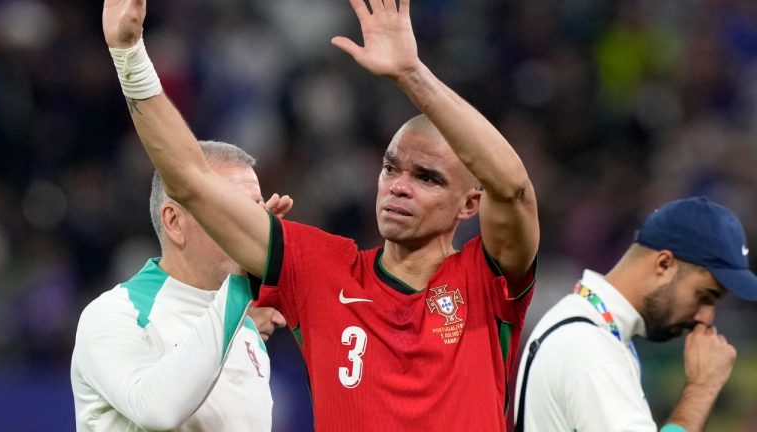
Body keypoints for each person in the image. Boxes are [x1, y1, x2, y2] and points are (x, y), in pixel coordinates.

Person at [102, 0, 539, 430]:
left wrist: (412, 75)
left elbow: (514, 189)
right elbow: (190, 180)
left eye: (427, 178)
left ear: (469, 204)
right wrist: (128, 55)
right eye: (390, 168)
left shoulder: (487, 280)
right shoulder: (319, 270)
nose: (399, 185)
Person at [71, 140, 291, 431]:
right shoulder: (114, 314)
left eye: (256, 210)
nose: (252, 225)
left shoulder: (246, 333)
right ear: (174, 222)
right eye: (234, 208)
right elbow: (155, 411)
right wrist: (240, 282)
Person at [514, 196, 757, 432]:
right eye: (704, 296)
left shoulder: (588, 328)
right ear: (663, 264)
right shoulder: (589, 347)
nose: (706, 318)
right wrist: (703, 386)